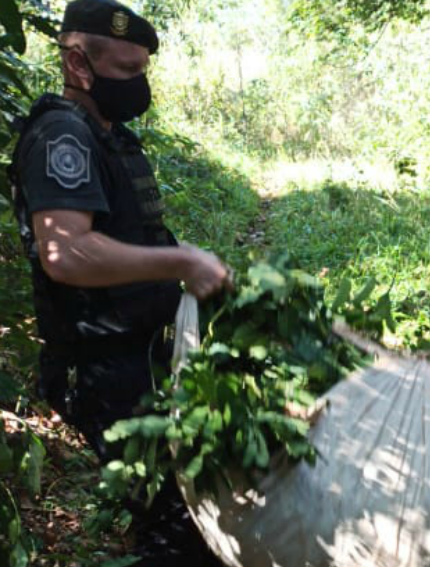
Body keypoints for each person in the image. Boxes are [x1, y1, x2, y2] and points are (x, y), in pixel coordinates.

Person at [8, 1, 228, 564]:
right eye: (128, 70)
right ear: (79, 64)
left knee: (191, 501)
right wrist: (182, 265)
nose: (139, 84)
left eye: (143, 70)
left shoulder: (110, 137)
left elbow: (136, 235)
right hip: (102, 364)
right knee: (174, 521)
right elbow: (67, 252)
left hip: (141, 353)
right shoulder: (63, 136)